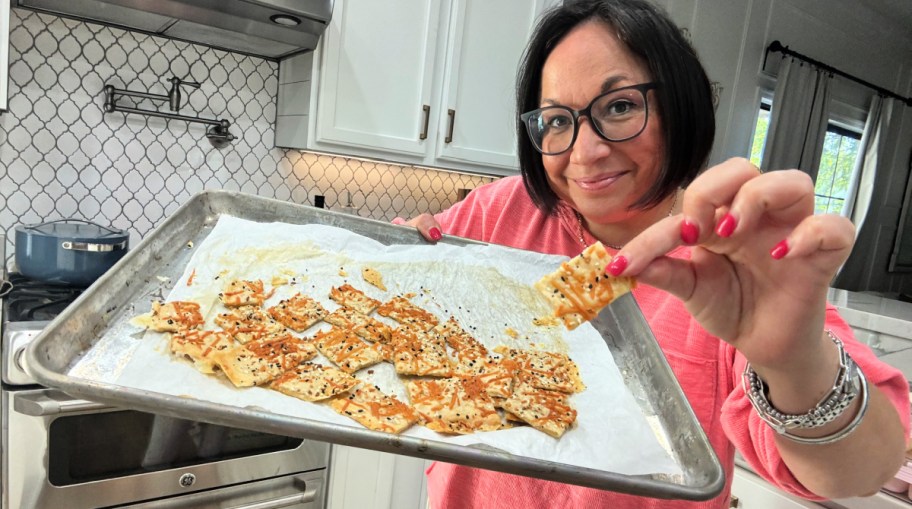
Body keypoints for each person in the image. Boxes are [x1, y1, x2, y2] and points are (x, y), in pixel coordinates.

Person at [395, 1, 911, 508]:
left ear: (679, 107)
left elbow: (861, 471)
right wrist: (398, 258)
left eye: (619, 107)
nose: (585, 152)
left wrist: (794, 363)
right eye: (556, 120)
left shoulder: (734, 261)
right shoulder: (504, 210)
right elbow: (399, 276)